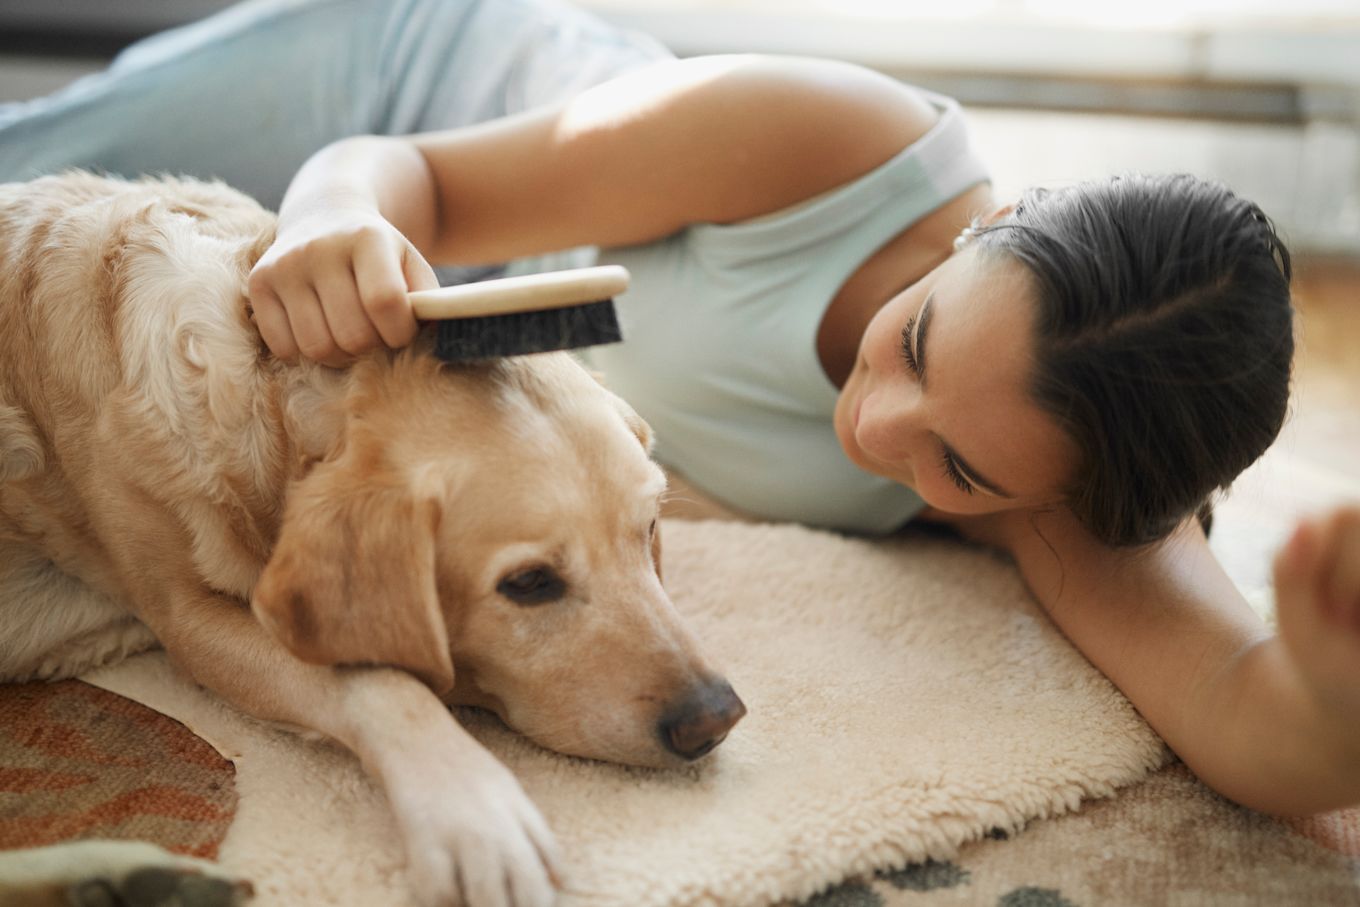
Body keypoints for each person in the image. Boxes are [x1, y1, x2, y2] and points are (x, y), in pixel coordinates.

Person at [3, 0, 1357, 817]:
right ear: (986, 232)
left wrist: (1334, 687)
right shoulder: (816, 135)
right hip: (414, 89)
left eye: (951, 463)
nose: (877, 429)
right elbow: (403, 168)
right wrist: (336, 218)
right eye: (918, 341)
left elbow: (1246, 719)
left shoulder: (1064, 463)